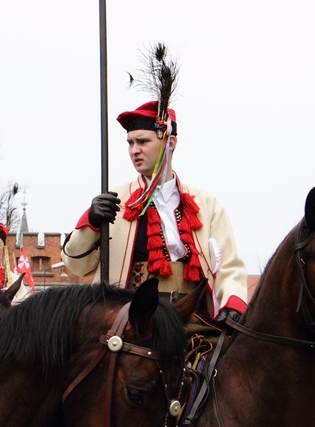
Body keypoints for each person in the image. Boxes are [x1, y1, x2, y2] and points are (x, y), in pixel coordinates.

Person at [61, 101, 248, 321]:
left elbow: (229, 266)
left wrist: (233, 304)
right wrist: (91, 220)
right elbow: (77, 266)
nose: (134, 150)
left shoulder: (206, 204)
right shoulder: (115, 200)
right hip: (133, 322)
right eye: (130, 143)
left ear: (170, 143)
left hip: (192, 318)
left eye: (142, 141)